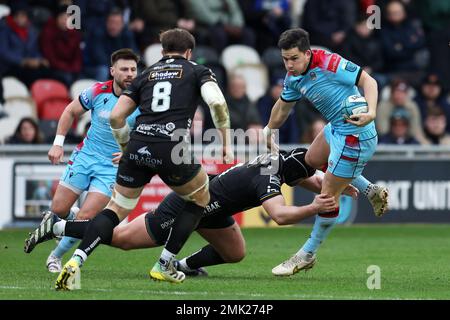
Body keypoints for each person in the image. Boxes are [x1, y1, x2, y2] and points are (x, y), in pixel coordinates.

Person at [48, 28, 232, 289]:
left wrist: (126, 147)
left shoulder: (146, 74)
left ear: (162, 52)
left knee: (115, 209)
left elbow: (115, 117)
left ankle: (77, 260)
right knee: (200, 198)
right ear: (190, 52)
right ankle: (165, 264)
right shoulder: (197, 70)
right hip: (170, 148)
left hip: (137, 147)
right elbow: (217, 103)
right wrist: (226, 144)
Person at [25, 148, 358, 276]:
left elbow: (309, 178)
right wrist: (315, 207)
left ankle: (184, 265)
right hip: (190, 203)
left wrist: (335, 186)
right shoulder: (268, 177)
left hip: (214, 207)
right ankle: (58, 228)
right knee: (124, 239)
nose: (312, 179)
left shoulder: (283, 159)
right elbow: (280, 216)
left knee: (236, 252)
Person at [263, 28, 388, 276]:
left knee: (327, 195)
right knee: (311, 160)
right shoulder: (293, 77)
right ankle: (369, 189)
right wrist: (268, 129)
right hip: (337, 129)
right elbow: (283, 107)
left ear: (308, 54)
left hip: (355, 136)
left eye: (294, 58)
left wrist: (372, 112)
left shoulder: (330, 62)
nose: (289, 64)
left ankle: (307, 254)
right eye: (285, 59)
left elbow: (369, 81)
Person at [24, 48, 141, 275]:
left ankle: (55, 257)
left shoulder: (142, 99)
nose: (130, 74)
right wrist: (58, 143)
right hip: (85, 157)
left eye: (133, 69)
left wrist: (130, 152)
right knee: (59, 209)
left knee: (86, 218)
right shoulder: (98, 91)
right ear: (112, 71)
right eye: (124, 69)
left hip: (112, 166)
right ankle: (71, 216)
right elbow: (69, 111)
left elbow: (148, 131)